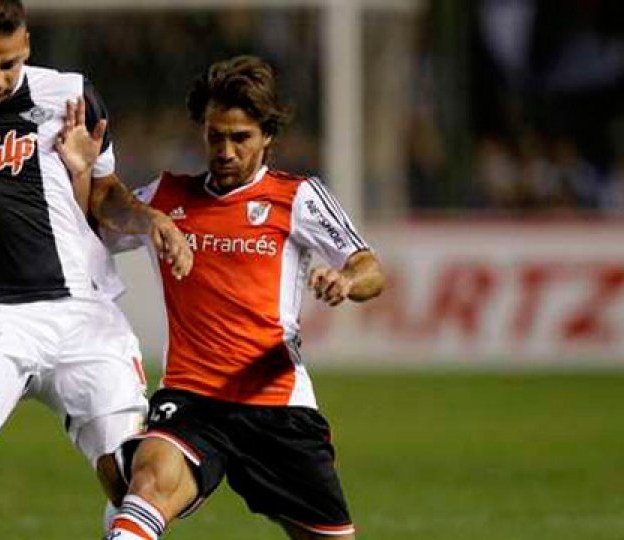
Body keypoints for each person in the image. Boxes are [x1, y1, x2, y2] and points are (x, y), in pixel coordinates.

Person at [0, 1, 192, 539]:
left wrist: (149, 220)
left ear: (26, 45)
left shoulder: (71, 95)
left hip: (82, 311)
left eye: (9, 64)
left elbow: (103, 194)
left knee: (134, 479)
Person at [56, 55, 384, 539]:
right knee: (146, 481)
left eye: (240, 138)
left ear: (267, 135)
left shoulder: (297, 197)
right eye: (215, 136)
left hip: (277, 405)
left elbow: (369, 267)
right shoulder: (166, 198)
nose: (225, 151)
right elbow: (90, 229)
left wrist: (347, 280)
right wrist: (82, 172)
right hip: (192, 400)